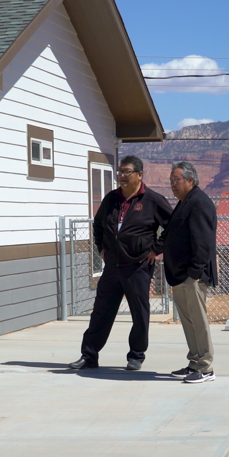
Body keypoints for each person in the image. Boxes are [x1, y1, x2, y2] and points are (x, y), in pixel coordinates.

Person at [69, 155, 173, 371]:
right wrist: (101, 248)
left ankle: (136, 355)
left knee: (139, 313)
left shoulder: (152, 200)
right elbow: (98, 224)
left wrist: (156, 249)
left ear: (140, 175)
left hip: (138, 267)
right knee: (101, 312)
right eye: (120, 172)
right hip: (112, 266)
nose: (122, 176)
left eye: (127, 172)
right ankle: (89, 355)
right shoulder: (111, 199)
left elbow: (173, 225)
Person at [162, 161, 218, 383]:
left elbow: (203, 242)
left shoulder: (199, 202)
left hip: (192, 277)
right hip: (180, 275)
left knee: (198, 321)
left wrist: (194, 273)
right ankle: (195, 362)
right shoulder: (185, 202)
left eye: (176, 180)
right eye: (171, 180)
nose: (172, 184)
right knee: (188, 322)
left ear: (190, 180)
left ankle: (206, 368)